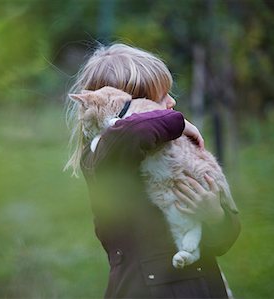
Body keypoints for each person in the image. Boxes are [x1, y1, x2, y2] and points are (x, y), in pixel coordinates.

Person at [65, 43, 240, 298]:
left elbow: (225, 239)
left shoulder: (174, 153)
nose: (172, 102)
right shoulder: (103, 157)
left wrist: (214, 215)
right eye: (161, 97)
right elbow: (132, 132)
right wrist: (177, 122)